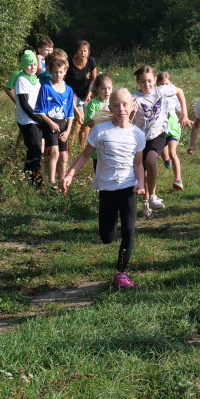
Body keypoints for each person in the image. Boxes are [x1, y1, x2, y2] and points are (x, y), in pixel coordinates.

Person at [60, 88, 146, 290]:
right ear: (110, 107)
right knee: (107, 236)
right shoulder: (101, 130)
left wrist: (141, 183)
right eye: (116, 105)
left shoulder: (138, 134)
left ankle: (121, 272)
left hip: (128, 187)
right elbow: (84, 155)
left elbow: (138, 164)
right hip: (107, 189)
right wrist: (70, 174)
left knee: (129, 230)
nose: (121, 109)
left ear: (132, 106)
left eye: (125, 104)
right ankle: (110, 235)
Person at [133, 65, 187, 216]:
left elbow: (179, 91)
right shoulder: (135, 97)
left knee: (151, 160)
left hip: (159, 133)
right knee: (143, 172)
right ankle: (146, 202)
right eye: (143, 82)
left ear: (155, 80)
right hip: (141, 137)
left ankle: (153, 196)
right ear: (138, 82)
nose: (147, 85)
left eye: (150, 81)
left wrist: (184, 113)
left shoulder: (161, 90)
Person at [34, 56, 75, 188]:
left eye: (61, 72)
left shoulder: (68, 90)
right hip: (49, 123)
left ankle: (62, 183)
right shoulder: (46, 87)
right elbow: (39, 111)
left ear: (65, 72)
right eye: (55, 72)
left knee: (63, 157)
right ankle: (51, 184)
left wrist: (68, 131)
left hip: (63, 124)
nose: (58, 75)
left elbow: (70, 114)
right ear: (50, 72)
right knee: (54, 152)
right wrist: (50, 123)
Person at [12, 50, 44, 185]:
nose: (32, 67)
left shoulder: (36, 80)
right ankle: (37, 180)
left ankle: (27, 177)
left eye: (34, 65)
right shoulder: (21, 80)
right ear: (24, 66)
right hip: (27, 121)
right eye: (29, 65)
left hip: (37, 119)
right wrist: (39, 119)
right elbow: (24, 104)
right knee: (36, 149)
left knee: (34, 150)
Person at [156, 70, 186, 191]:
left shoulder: (174, 95)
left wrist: (185, 117)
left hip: (173, 125)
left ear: (171, 84)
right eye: (162, 84)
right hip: (160, 127)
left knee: (173, 152)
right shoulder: (156, 96)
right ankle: (166, 159)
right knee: (165, 155)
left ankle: (178, 179)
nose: (165, 87)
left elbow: (180, 108)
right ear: (157, 85)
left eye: (167, 84)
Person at [65, 41, 97, 149]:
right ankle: (71, 144)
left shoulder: (91, 61)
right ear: (76, 51)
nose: (83, 53)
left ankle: (82, 146)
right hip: (73, 94)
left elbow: (93, 79)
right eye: (80, 51)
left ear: (88, 52)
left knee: (86, 120)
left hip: (86, 94)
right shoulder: (69, 64)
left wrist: (90, 92)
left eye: (85, 51)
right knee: (80, 117)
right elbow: (63, 81)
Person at [80, 73, 114, 172]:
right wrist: (99, 116)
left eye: (109, 88)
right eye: (103, 88)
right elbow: (88, 124)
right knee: (99, 174)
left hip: (112, 144)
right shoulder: (93, 103)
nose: (107, 91)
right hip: (98, 145)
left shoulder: (114, 102)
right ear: (97, 89)